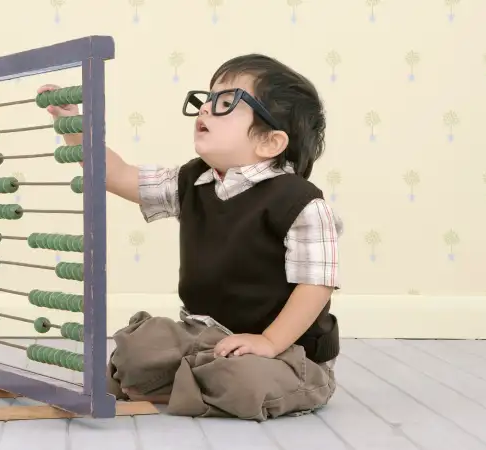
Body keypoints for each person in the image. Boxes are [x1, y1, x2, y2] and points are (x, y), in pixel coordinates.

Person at [37, 53, 343, 421]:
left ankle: (212, 384)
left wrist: (268, 342)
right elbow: (115, 175)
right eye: (207, 101)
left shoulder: (302, 204)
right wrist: (74, 124)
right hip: (205, 336)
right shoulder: (191, 181)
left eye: (226, 104)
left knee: (247, 381)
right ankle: (195, 382)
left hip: (287, 351)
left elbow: (315, 287)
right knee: (136, 349)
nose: (205, 111)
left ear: (268, 141)